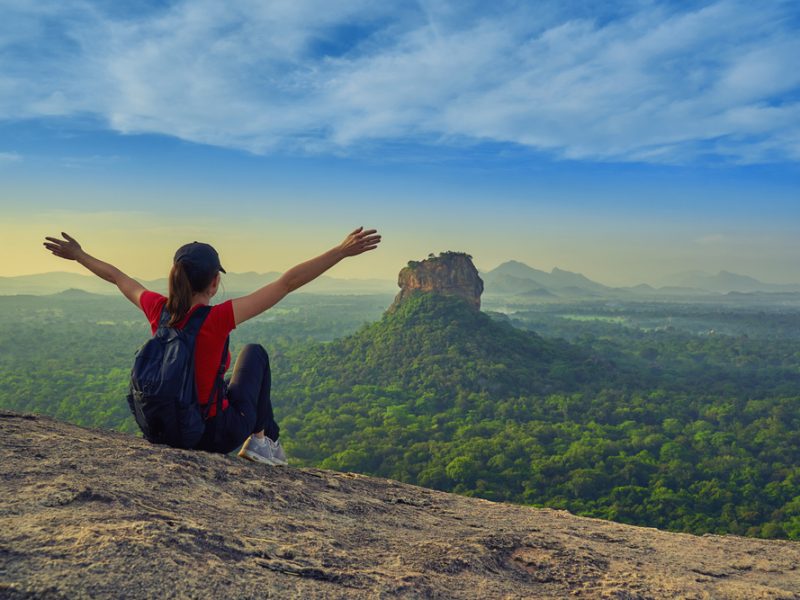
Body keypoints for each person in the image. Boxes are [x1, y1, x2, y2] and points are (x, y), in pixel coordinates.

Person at [42, 227, 382, 465]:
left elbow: (118, 277)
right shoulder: (217, 319)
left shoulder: (159, 310)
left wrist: (79, 255)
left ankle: (264, 442)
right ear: (215, 281)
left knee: (226, 379)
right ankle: (263, 443)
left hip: (165, 430)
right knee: (255, 354)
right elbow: (287, 284)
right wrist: (340, 251)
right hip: (211, 434)